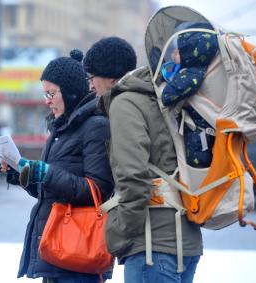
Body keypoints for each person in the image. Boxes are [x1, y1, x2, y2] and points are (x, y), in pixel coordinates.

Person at [84, 37, 203, 282]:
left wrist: (120, 231)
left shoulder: (125, 102)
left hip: (152, 246)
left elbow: (133, 176)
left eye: (92, 76)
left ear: (109, 76)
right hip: (186, 239)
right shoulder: (159, 94)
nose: (91, 85)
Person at [0, 49, 114, 282]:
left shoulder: (96, 126)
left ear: (70, 93)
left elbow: (98, 191)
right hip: (55, 248)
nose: (47, 101)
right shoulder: (60, 129)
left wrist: (47, 173)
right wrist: (19, 173)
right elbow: (50, 192)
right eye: (44, 94)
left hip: (79, 251)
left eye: (51, 93)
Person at [161, 22, 218, 168]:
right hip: (204, 132)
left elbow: (167, 96)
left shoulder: (192, 73)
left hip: (199, 136)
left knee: (197, 172)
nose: (173, 53)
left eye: (179, 50)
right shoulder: (204, 67)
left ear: (191, 51)